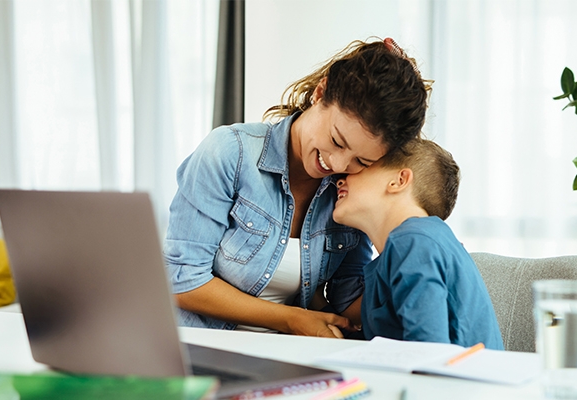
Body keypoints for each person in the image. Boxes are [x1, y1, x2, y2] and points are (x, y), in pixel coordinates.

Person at [164, 38, 432, 338]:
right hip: (201, 350)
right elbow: (182, 280)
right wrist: (292, 319)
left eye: (361, 159)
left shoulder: (347, 193)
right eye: (336, 141)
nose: (337, 163)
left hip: (286, 355)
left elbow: (346, 297)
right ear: (321, 93)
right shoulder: (230, 153)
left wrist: (412, 260)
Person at [332, 138, 504, 348]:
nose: (340, 179)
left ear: (399, 181)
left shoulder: (413, 242)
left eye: (362, 165)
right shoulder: (415, 243)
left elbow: (427, 352)